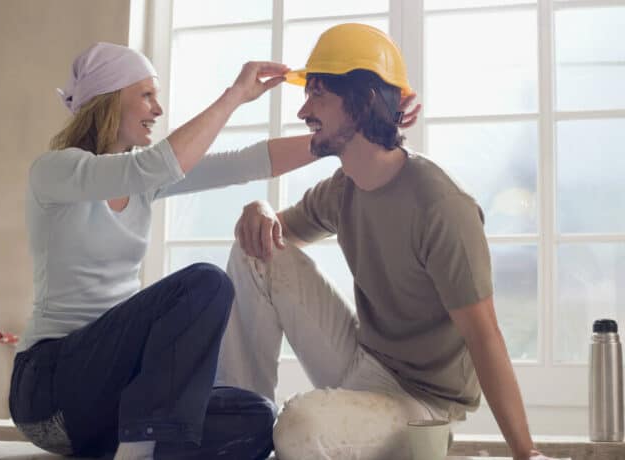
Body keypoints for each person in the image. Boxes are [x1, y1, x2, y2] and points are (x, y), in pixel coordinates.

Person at [216, 23, 558, 460]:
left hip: (422, 403)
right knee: (253, 249)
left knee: (300, 429)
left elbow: (484, 335)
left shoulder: (440, 205)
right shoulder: (344, 187)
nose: (303, 111)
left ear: (363, 103)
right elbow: (274, 239)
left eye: (318, 93)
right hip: (365, 359)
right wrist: (259, 211)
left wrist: (526, 452)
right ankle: (238, 435)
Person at [9, 42, 323, 460]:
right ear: (107, 100)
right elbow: (154, 165)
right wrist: (234, 96)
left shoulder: (144, 178)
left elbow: (242, 163)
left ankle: (133, 445)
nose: (158, 109)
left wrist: (338, 139)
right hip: (49, 392)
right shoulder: (57, 170)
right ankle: (140, 451)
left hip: (110, 406)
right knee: (205, 284)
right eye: (146, 95)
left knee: (255, 418)